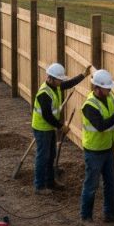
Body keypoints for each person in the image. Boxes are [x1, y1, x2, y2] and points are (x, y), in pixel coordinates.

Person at [79, 69, 114, 226]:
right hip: (94, 151)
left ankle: (110, 214)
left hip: (108, 148)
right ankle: (86, 217)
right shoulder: (89, 106)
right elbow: (101, 126)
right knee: (91, 185)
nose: (110, 90)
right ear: (96, 89)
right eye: (107, 88)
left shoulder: (108, 97)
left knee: (111, 183)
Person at [32, 62, 89, 194]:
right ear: (51, 78)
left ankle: (50, 182)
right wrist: (60, 127)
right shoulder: (44, 94)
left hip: (49, 128)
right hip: (42, 129)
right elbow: (47, 115)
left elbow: (69, 84)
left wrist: (83, 75)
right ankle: (39, 186)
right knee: (43, 157)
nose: (61, 82)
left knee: (51, 155)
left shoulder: (55, 86)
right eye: (59, 79)